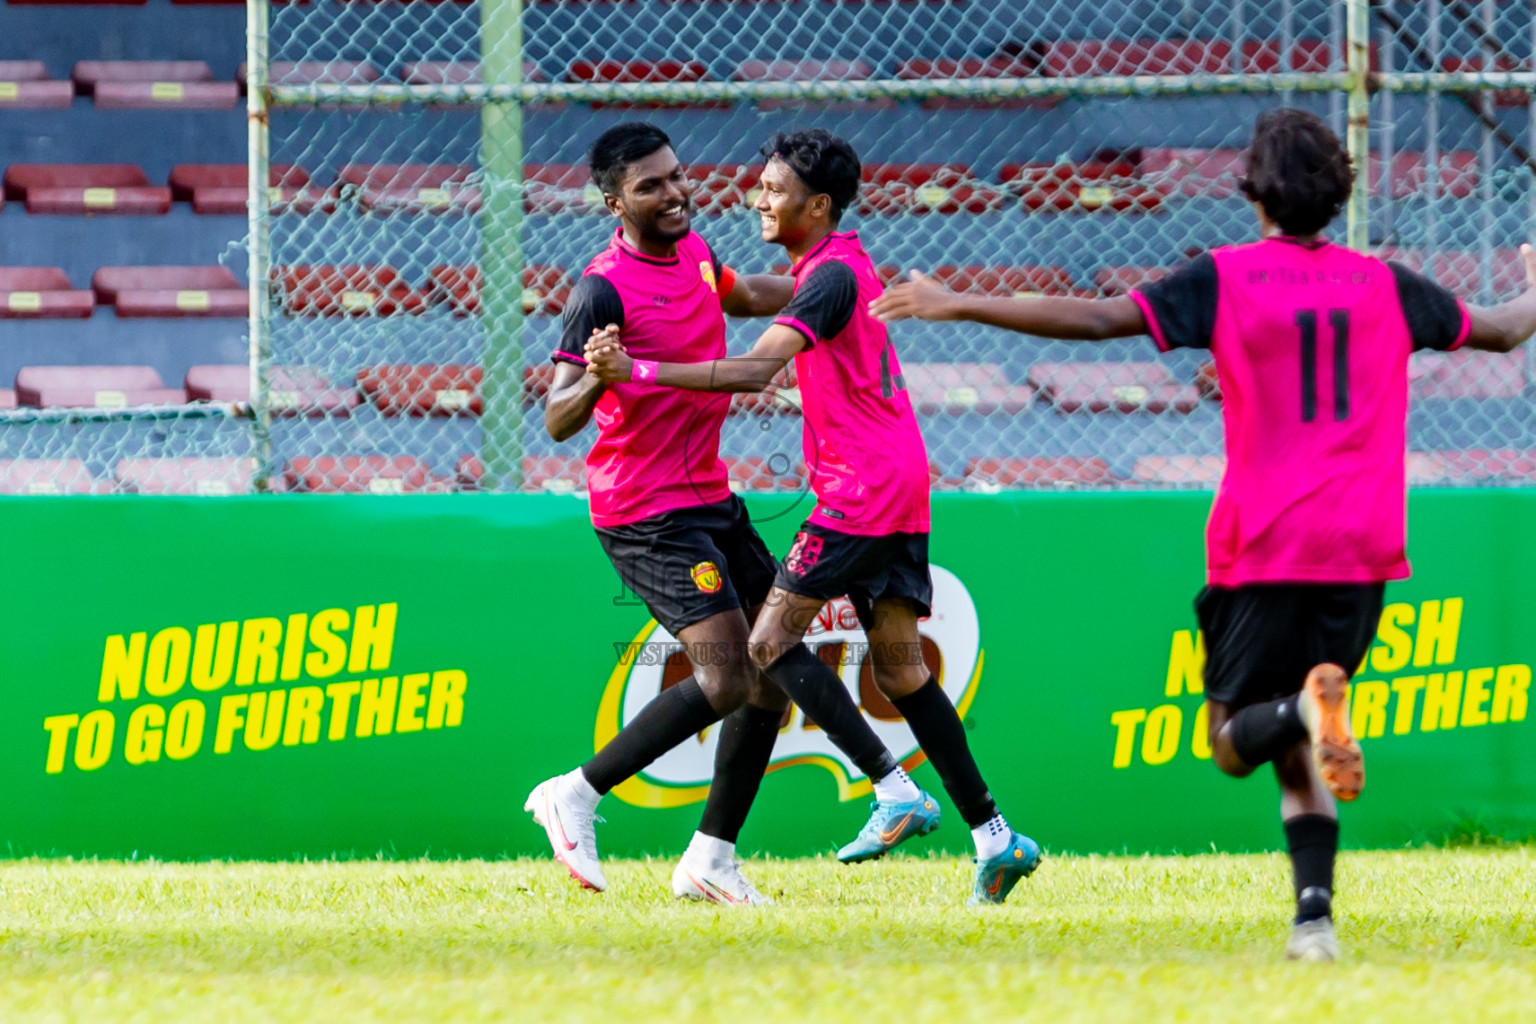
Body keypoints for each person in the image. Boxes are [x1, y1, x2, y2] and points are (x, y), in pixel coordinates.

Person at [870, 107, 1536, 955]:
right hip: (1362, 543)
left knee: (1235, 738)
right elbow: (1508, 327)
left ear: (1252, 190)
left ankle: (1306, 711)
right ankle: (1314, 921)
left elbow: (1097, 319)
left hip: (1265, 538)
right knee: (1300, 740)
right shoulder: (1388, 285)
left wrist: (956, 300)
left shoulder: (1226, 276)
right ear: (1339, 192)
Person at [586, 128, 1041, 905]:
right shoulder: (836, 268)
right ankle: (996, 837)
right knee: (900, 670)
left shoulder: (829, 278)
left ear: (817, 205)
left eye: (772, 189)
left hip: (857, 493)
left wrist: (638, 370)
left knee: (759, 649)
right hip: (900, 481)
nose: (756, 197)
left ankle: (890, 793)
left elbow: (757, 368)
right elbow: (777, 316)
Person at [526, 122, 798, 906]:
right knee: (726, 675)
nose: (676, 192)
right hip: (644, 511)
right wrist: (600, 379)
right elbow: (556, 418)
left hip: (710, 497)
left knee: (773, 668)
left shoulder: (697, 251)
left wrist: (829, 288)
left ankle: (711, 857)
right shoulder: (600, 289)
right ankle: (575, 792)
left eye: (677, 176)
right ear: (615, 200)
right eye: (652, 185)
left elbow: (743, 295)